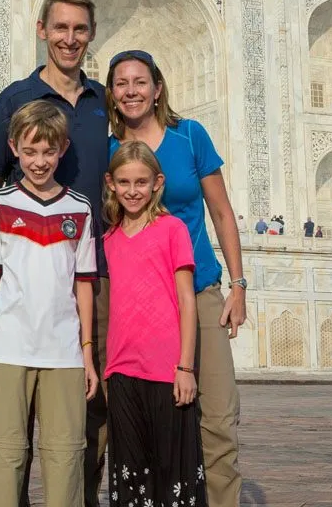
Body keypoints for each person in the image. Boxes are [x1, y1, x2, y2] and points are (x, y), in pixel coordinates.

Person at [0, 0, 109, 507]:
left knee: (80, 435)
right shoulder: (16, 98)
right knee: (7, 441)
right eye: (61, 28)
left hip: (88, 278)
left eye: (81, 29)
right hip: (17, 292)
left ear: (91, 34)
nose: (70, 39)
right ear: (42, 29)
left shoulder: (103, 101)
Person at [106, 49, 244, 507]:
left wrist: (238, 285)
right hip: (132, 301)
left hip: (197, 290)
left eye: (140, 82)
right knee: (118, 419)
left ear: (157, 87)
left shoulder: (189, 137)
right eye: (122, 83)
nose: (131, 91)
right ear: (112, 92)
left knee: (217, 418)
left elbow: (221, 212)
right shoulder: (107, 150)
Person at [0, 100, 98, 507]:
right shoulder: (0, 204)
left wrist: (88, 355)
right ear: (13, 148)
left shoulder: (79, 209)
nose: (39, 162)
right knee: (3, 454)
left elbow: (83, 285)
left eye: (48, 152)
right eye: (30, 152)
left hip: (63, 351)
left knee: (66, 456)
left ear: (62, 149)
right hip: (9, 346)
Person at [104, 140, 207, 507]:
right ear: (111, 183)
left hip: (167, 371)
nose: (133, 191)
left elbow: (186, 301)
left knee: (173, 470)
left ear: (157, 182)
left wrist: (185, 366)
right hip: (121, 370)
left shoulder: (172, 229)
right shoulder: (109, 238)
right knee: (130, 475)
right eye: (125, 182)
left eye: (141, 182)